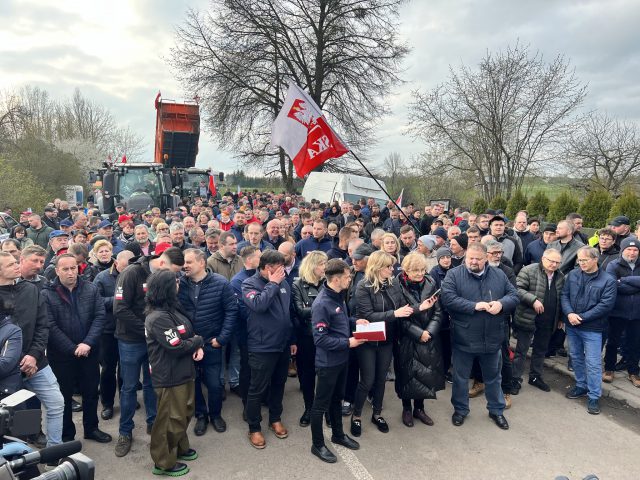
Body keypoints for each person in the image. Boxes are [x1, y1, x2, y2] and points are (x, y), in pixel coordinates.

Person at [113, 244, 185, 457]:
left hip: (153, 341)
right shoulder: (131, 273)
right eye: (173, 273)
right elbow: (120, 309)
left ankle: (153, 423)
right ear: (162, 263)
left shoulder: (163, 276)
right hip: (130, 340)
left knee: (152, 384)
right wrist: (147, 328)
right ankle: (125, 432)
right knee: (128, 388)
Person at [441, 243, 519, 430]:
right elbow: (448, 298)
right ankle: (460, 410)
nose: (473, 262)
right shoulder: (454, 274)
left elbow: (514, 295)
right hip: (464, 336)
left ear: (486, 258)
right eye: (470, 258)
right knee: (461, 378)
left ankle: (496, 410)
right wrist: (474, 306)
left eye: (478, 258)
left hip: (492, 337)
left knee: (494, 377)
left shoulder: (498, 275)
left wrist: (501, 304)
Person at [42, 253, 111, 443]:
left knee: (91, 393)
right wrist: (73, 348)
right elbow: (50, 325)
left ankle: (91, 428)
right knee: (63, 397)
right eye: (65, 269)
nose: (71, 272)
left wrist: (87, 343)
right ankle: (67, 435)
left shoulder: (90, 288)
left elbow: (99, 316)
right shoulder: (47, 294)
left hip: (89, 352)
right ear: (57, 271)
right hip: (62, 356)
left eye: (73, 268)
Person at [0, 252, 65, 447]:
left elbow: (42, 325)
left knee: (56, 402)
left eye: (16, 262)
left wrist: (33, 356)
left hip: (36, 362)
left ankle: (54, 453)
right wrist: (21, 359)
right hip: (5, 370)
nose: (17, 265)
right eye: (11, 264)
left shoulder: (31, 289)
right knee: (12, 419)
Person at [145, 270, 204, 477]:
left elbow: (187, 333)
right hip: (169, 376)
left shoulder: (172, 309)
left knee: (184, 412)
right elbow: (176, 346)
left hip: (183, 371)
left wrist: (195, 342)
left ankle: (180, 447)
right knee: (170, 418)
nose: (179, 283)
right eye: (175, 282)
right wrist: (197, 341)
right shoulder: (158, 318)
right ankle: (163, 462)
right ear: (166, 288)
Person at [309, 259, 366, 463]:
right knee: (320, 405)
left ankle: (338, 435)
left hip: (342, 360)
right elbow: (321, 339)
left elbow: (340, 320)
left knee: (337, 399)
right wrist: (348, 342)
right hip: (327, 364)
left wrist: (354, 321)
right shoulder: (322, 303)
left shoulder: (338, 296)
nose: (350, 278)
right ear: (336, 278)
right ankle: (317, 444)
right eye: (347, 276)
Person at [351, 251, 411, 436]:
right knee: (367, 380)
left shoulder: (393, 283)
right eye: (389, 267)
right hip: (368, 339)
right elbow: (367, 315)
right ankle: (357, 416)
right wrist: (394, 314)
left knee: (381, 380)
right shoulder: (363, 286)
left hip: (387, 339)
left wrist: (420, 307)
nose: (392, 269)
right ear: (378, 267)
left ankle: (377, 413)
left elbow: (402, 306)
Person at [179, 249, 238, 436]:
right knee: (193, 384)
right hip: (189, 344)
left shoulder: (220, 283)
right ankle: (201, 416)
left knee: (214, 384)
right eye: (184, 262)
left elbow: (231, 311)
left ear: (202, 262)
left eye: (189, 262)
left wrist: (222, 339)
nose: (185, 266)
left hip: (211, 343)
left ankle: (216, 415)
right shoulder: (180, 284)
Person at [242, 250, 296, 449]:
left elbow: (286, 314)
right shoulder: (249, 284)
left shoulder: (284, 284)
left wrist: (292, 339)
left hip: (282, 345)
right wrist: (273, 283)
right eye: (278, 268)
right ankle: (254, 427)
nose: (282, 271)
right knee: (257, 389)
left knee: (279, 384)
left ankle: (275, 418)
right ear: (266, 268)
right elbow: (259, 305)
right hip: (262, 346)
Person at [562, 246, 617, 415]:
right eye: (579, 260)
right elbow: (564, 295)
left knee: (593, 363)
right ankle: (581, 385)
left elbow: (605, 305)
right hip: (572, 326)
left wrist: (581, 317)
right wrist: (570, 313)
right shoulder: (573, 275)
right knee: (576, 357)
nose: (581, 263)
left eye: (585, 260)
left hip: (593, 328)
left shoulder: (608, 280)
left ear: (595, 260)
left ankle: (594, 395)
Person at [396, 253, 444, 427]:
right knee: (407, 374)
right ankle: (407, 409)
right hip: (407, 338)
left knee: (425, 374)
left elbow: (438, 311)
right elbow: (400, 317)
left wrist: (429, 332)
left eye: (422, 269)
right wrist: (418, 333)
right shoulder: (398, 285)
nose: (420, 273)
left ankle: (420, 408)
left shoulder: (431, 282)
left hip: (428, 337)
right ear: (406, 270)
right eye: (415, 270)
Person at [512, 249, 565, 394]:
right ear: (543, 258)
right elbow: (517, 289)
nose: (554, 264)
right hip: (528, 317)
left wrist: (560, 318)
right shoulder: (528, 270)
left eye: (557, 262)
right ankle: (515, 379)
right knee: (521, 351)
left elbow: (561, 298)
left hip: (548, 319)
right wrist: (533, 300)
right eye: (551, 261)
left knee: (540, 351)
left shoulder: (560, 276)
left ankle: (535, 377)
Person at [93, 250, 135, 420]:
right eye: (123, 268)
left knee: (126, 369)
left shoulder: (134, 273)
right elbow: (95, 301)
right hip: (108, 331)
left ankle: (126, 399)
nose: (126, 272)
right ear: (116, 263)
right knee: (109, 369)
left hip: (128, 330)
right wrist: (117, 301)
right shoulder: (102, 278)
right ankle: (107, 403)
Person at [292, 251, 328, 426]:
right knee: (307, 376)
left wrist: (313, 309)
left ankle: (327, 409)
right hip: (306, 337)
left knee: (326, 375)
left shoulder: (328, 283)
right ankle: (309, 408)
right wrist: (323, 308)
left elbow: (337, 308)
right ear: (313, 265)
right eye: (322, 264)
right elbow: (299, 311)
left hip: (327, 336)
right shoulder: (297, 285)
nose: (325, 267)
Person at [603, 237, 640, 387]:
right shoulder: (613, 265)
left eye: (635, 250)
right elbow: (613, 285)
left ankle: (633, 371)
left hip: (638, 313)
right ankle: (609, 369)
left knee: (635, 343)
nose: (632, 253)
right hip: (617, 312)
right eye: (629, 249)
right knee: (612, 342)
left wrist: (624, 280)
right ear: (623, 250)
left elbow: (620, 284)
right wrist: (637, 285)